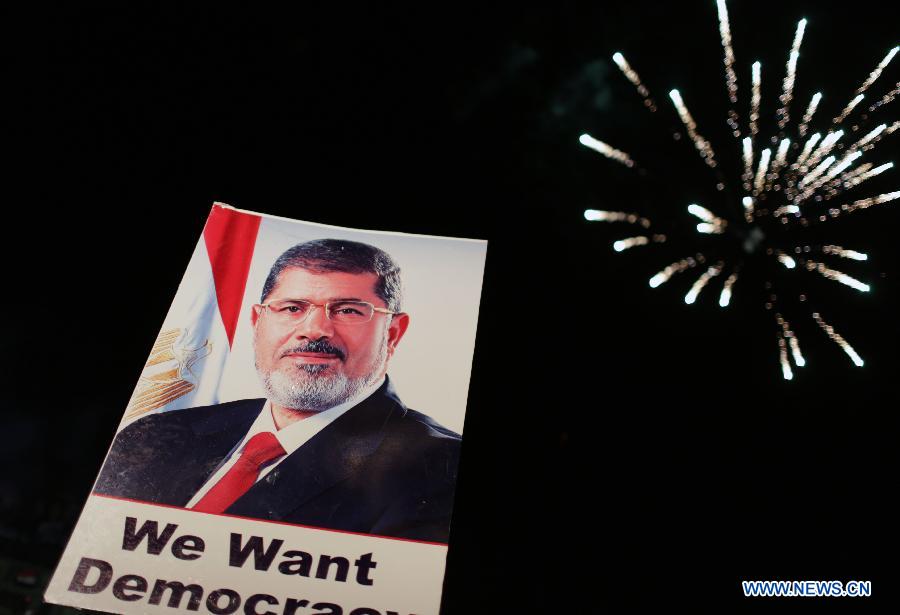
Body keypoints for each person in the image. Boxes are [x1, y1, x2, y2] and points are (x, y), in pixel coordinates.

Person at [94, 239, 461, 543]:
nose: (314, 330)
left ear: (393, 334)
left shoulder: (439, 469)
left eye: (348, 310)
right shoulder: (156, 435)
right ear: (257, 322)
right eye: (292, 307)